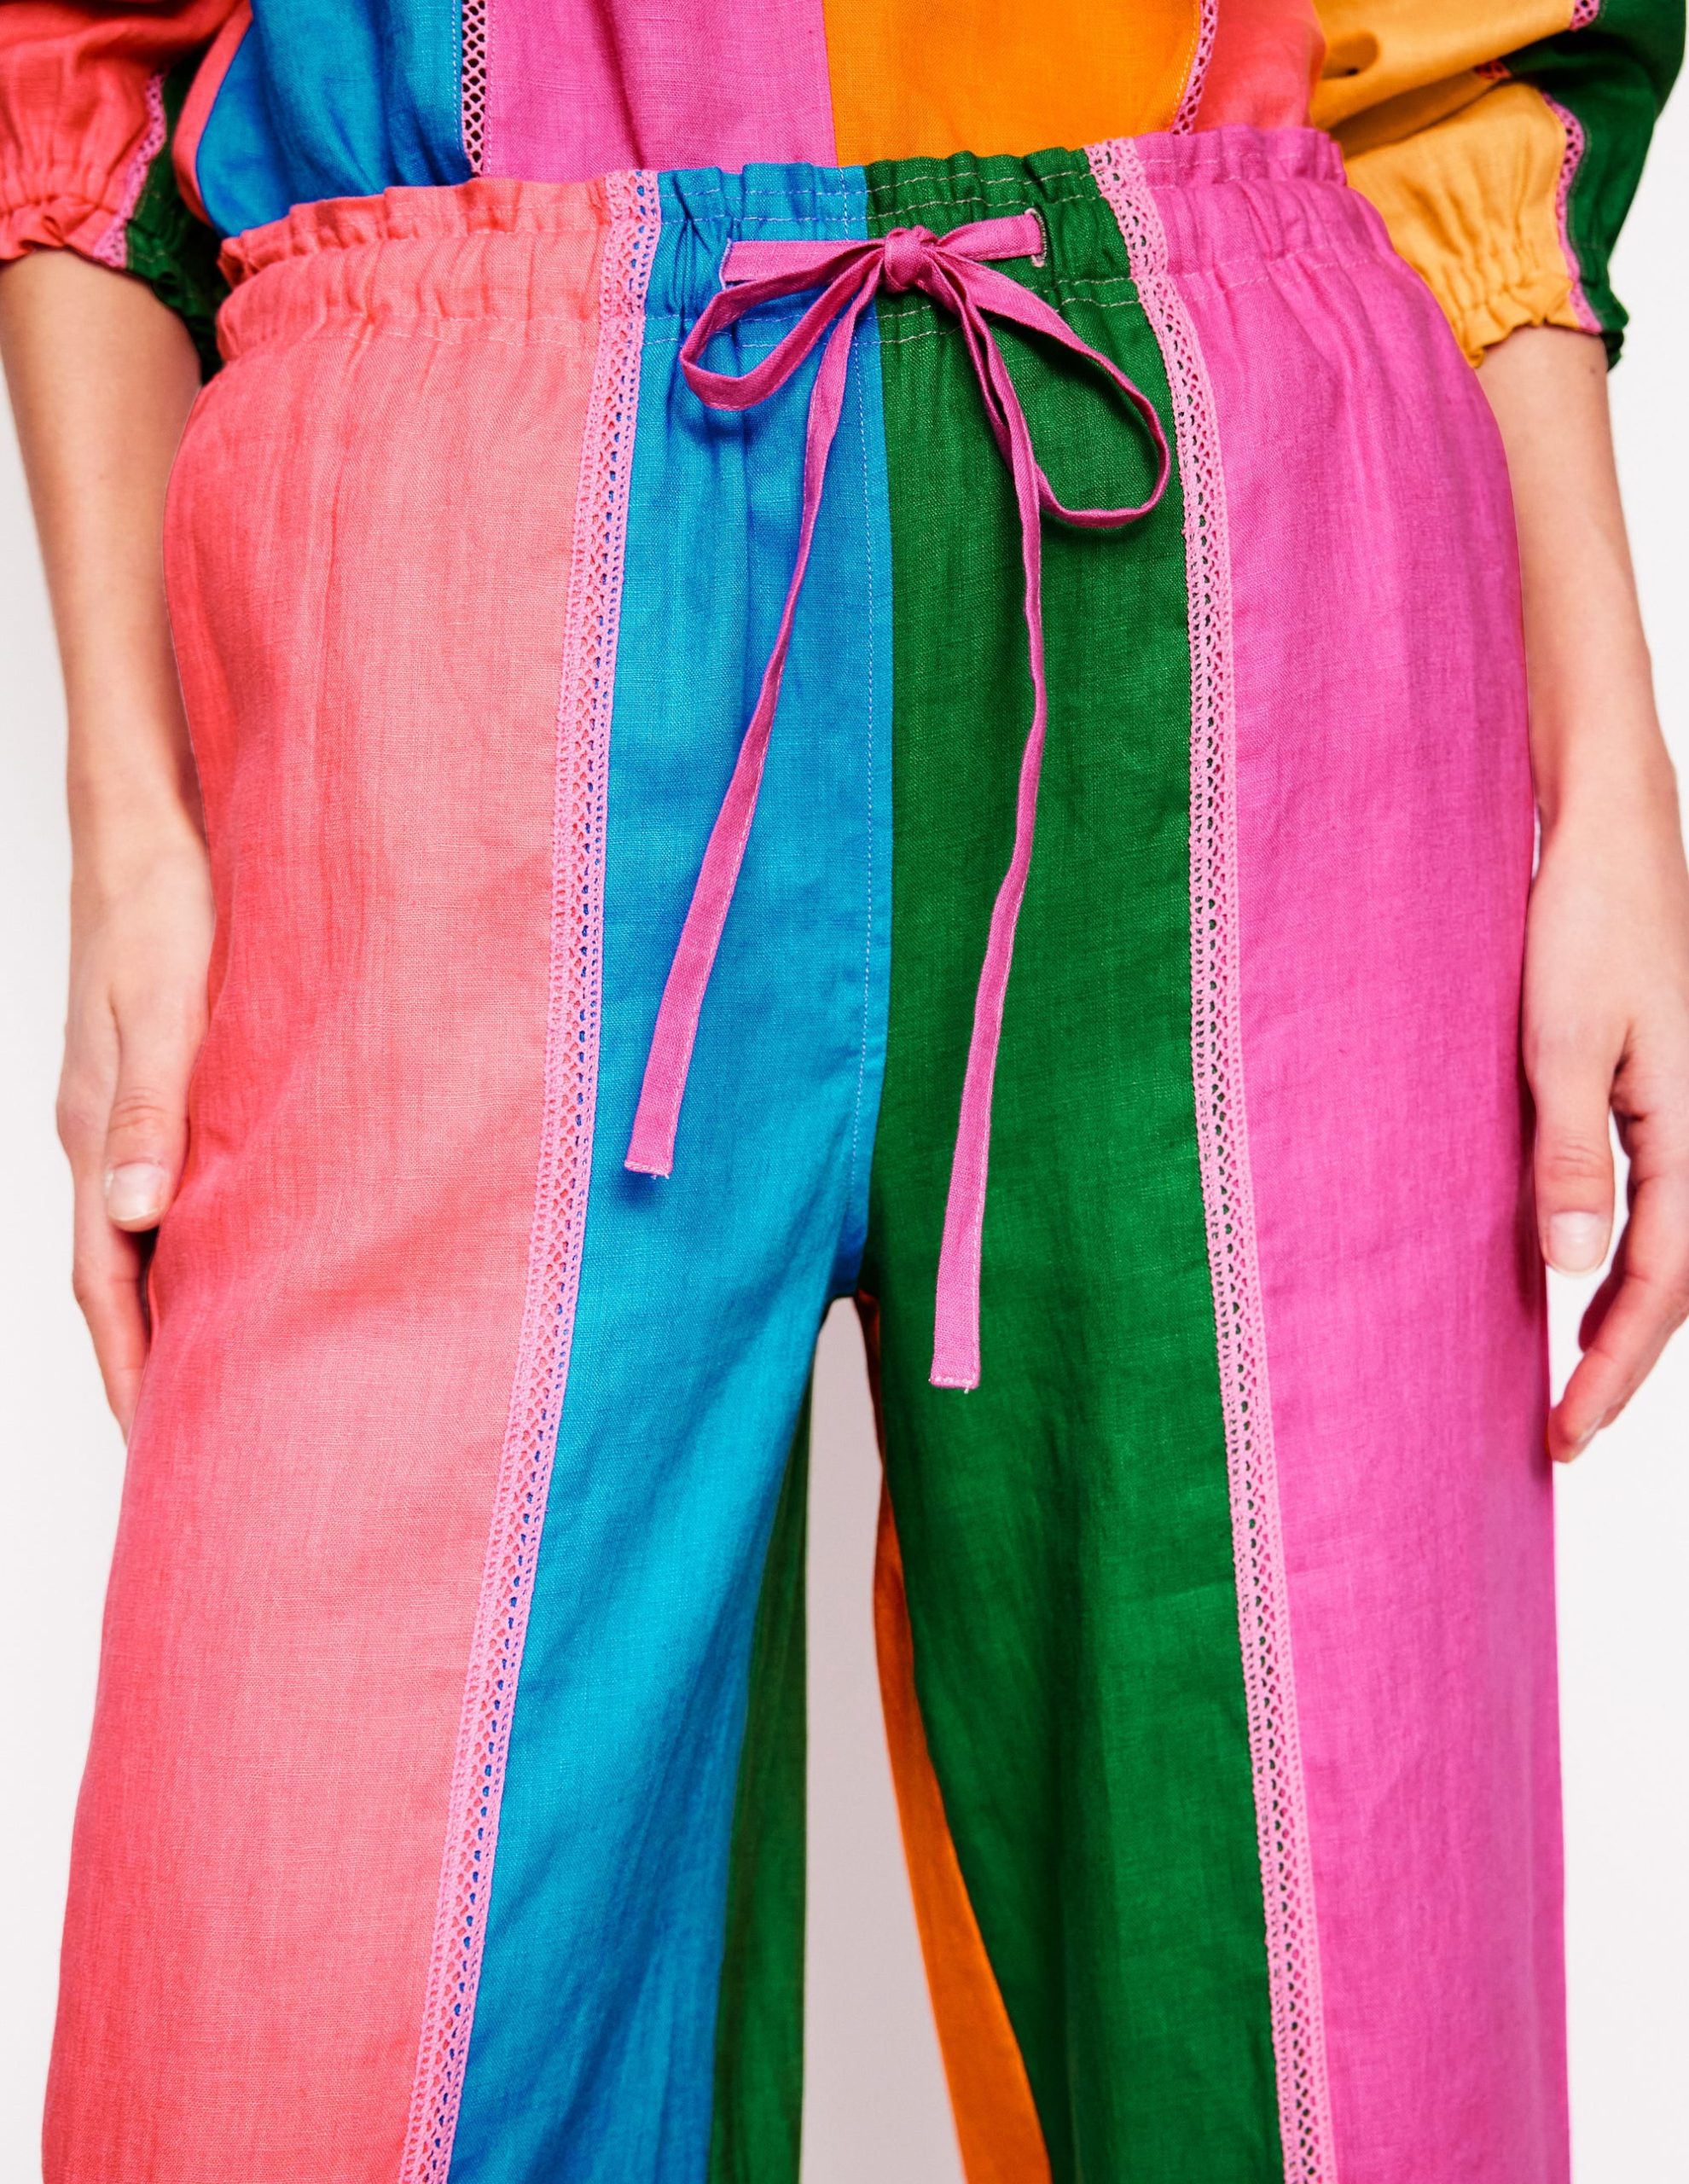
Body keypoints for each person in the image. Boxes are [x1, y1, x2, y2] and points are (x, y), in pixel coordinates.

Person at [3, 4, 1686, 2180]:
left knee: (1306, 1998)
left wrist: (1614, 774)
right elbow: (73, 69)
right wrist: (130, 823)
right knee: (317, 2011)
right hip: (463, 561)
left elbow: (1464, 68)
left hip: (1231, 569)